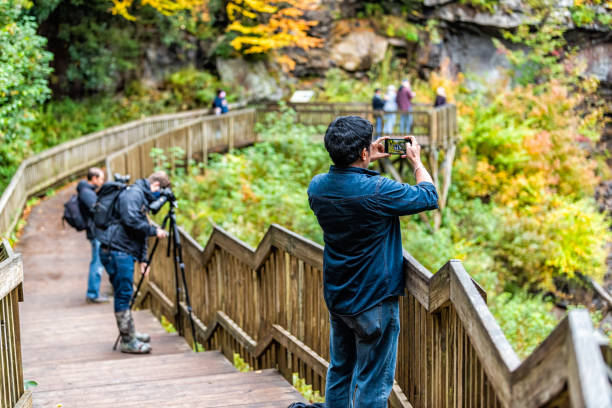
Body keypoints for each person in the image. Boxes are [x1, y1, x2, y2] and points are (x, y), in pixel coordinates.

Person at [307, 116, 438, 407]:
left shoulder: (317, 188)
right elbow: (429, 196)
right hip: (374, 301)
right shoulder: (378, 190)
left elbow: (348, 186)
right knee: (374, 382)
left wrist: (365, 158)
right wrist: (416, 162)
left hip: (338, 296)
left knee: (340, 370)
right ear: (363, 152)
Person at [96, 171, 170, 354]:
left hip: (122, 249)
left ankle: (130, 333)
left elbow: (139, 230)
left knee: (125, 292)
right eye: (160, 194)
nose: (158, 199)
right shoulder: (134, 194)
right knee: (124, 294)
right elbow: (131, 220)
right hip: (117, 250)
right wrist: (154, 231)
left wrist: (143, 259)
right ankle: (128, 341)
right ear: (156, 186)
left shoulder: (139, 195)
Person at [77, 168, 108, 304]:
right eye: (101, 179)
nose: (102, 182)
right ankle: (93, 293)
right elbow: (97, 210)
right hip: (95, 232)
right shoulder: (86, 192)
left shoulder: (87, 190)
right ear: (94, 178)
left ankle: (94, 292)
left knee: (99, 261)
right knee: (97, 262)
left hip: (96, 231)